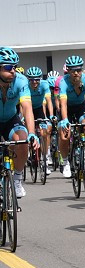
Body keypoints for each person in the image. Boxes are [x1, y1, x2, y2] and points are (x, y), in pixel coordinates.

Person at [0, 47, 37, 198]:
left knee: (22, 140)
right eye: (8, 67)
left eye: (15, 67)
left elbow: (27, 108)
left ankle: (17, 179)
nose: (13, 70)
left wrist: (32, 133)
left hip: (10, 119)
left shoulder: (21, 81)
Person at [58, 55, 85, 177]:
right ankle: (65, 161)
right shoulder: (63, 82)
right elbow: (63, 103)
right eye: (73, 70)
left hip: (80, 108)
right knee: (65, 135)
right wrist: (65, 120)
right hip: (67, 108)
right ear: (68, 71)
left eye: (78, 70)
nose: (76, 73)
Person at [25, 66, 54, 174]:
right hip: (28, 109)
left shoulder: (45, 85)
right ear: (28, 80)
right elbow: (23, 106)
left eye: (37, 79)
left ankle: (45, 159)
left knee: (44, 132)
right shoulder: (25, 86)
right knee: (27, 129)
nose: (34, 82)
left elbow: (49, 101)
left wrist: (51, 115)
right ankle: (29, 151)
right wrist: (23, 117)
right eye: (31, 79)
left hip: (38, 109)